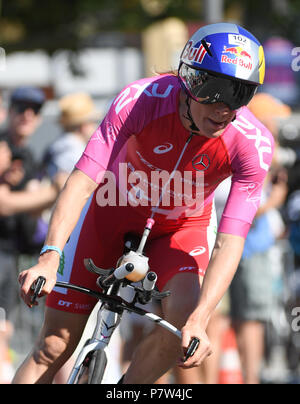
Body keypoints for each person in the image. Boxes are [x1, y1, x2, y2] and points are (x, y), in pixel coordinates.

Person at [13, 22, 274, 384]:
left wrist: (202, 317)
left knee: (183, 326)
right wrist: (50, 255)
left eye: (241, 93)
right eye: (216, 89)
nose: (225, 108)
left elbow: (230, 240)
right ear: (191, 78)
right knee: (55, 345)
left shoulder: (252, 142)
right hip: (110, 214)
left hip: (182, 229)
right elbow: (82, 181)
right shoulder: (141, 99)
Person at [43, 92, 101, 191]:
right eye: (93, 121)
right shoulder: (76, 152)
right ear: (84, 125)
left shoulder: (57, 146)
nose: (96, 127)